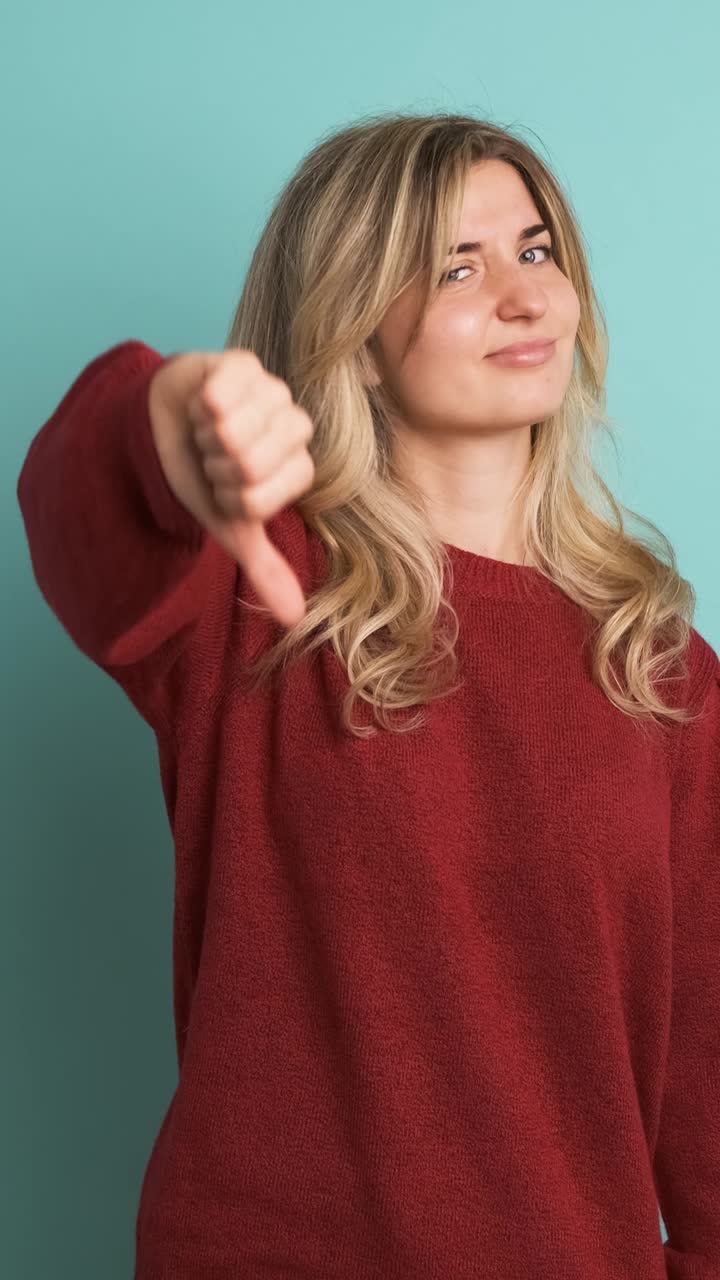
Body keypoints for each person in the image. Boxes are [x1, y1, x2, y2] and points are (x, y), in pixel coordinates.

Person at [16, 111, 720, 1280]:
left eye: (538, 250)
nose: (524, 295)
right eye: (457, 264)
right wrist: (170, 416)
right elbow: (75, 498)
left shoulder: (664, 672)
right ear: (355, 325)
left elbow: (709, 1082)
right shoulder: (257, 588)